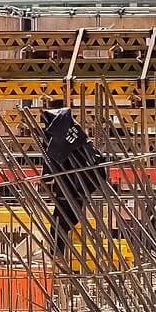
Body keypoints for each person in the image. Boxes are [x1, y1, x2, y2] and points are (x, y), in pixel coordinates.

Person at [41, 104, 107, 257]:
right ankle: (58, 256)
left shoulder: (55, 138)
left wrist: (46, 177)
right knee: (63, 221)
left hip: (72, 185)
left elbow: (49, 167)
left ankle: (57, 257)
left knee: (60, 223)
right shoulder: (75, 131)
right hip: (77, 183)